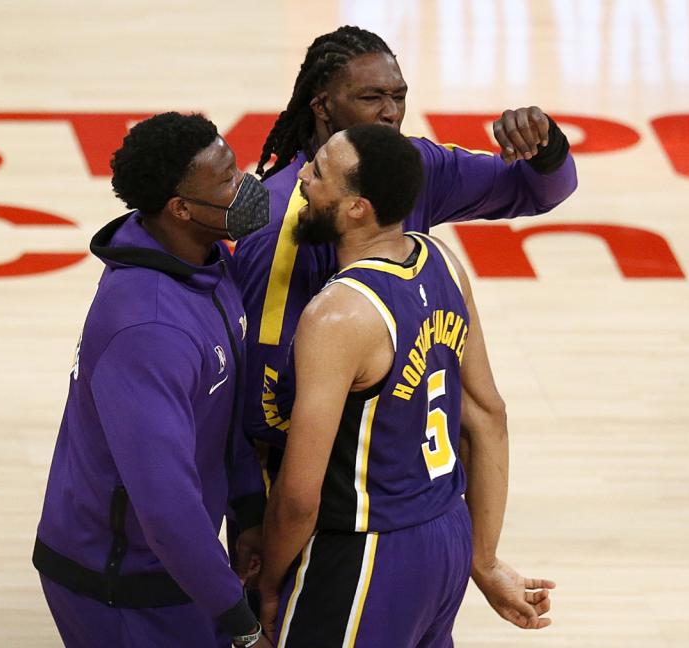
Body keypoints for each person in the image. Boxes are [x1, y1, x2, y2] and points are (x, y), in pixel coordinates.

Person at [257, 125, 554, 647]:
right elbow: (489, 416)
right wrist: (482, 560)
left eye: (319, 172)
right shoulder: (441, 261)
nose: (302, 176)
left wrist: (268, 583)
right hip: (447, 536)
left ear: (356, 208)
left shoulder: (337, 315)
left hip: (367, 555)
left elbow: (300, 498)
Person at [232, 25, 578, 460]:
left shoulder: (415, 168)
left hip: (402, 461)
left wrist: (544, 143)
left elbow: (541, 190)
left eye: (398, 96)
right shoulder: (277, 219)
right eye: (371, 97)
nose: (391, 112)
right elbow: (262, 397)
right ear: (322, 105)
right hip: (323, 469)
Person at [32, 112, 272, 648]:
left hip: (174, 565)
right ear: (180, 207)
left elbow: (224, 413)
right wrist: (240, 622)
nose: (246, 189)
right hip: (119, 582)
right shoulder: (149, 328)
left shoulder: (208, 263)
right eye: (229, 182)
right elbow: (164, 504)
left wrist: (248, 511)